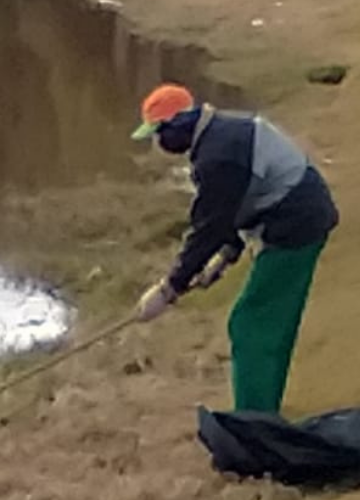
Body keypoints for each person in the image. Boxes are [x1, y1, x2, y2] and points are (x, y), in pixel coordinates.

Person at [131, 84, 338, 414]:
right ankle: (263, 409)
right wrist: (225, 258)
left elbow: (209, 228)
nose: (159, 143)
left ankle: (253, 420)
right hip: (292, 217)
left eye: (159, 133)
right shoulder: (221, 133)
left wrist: (168, 289)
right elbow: (236, 207)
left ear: (178, 125)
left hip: (296, 223)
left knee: (251, 322)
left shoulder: (218, 155)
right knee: (271, 320)